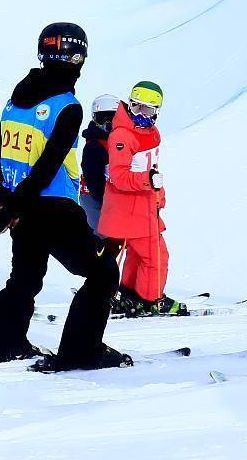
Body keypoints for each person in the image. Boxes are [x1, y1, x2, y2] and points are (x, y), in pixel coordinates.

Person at [0, 23, 124, 372]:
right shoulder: (67, 107)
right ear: (77, 58)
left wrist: (4, 202)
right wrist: (10, 206)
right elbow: (47, 166)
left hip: (21, 208)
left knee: (26, 276)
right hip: (53, 208)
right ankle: (81, 351)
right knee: (103, 273)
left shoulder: (15, 100)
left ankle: (4, 345)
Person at [103, 81, 183, 318]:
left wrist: (159, 195)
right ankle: (150, 299)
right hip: (129, 207)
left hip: (143, 205)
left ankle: (131, 293)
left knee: (139, 254)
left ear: (157, 111)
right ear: (130, 104)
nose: (141, 115)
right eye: (137, 108)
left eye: (148, 110)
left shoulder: (150, 133)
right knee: (156, 255)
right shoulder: (123, 135)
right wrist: (148, 181)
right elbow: (119, 176)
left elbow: (152, 168)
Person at [79, 95, 119, 232]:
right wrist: (110, 200)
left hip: (109, 199)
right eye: (102, 118)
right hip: (95, 200)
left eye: (112, 118)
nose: (107, 124)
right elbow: (93, 179)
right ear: (95, 119)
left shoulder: (116, 141)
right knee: (101, 235)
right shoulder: (94, 146)